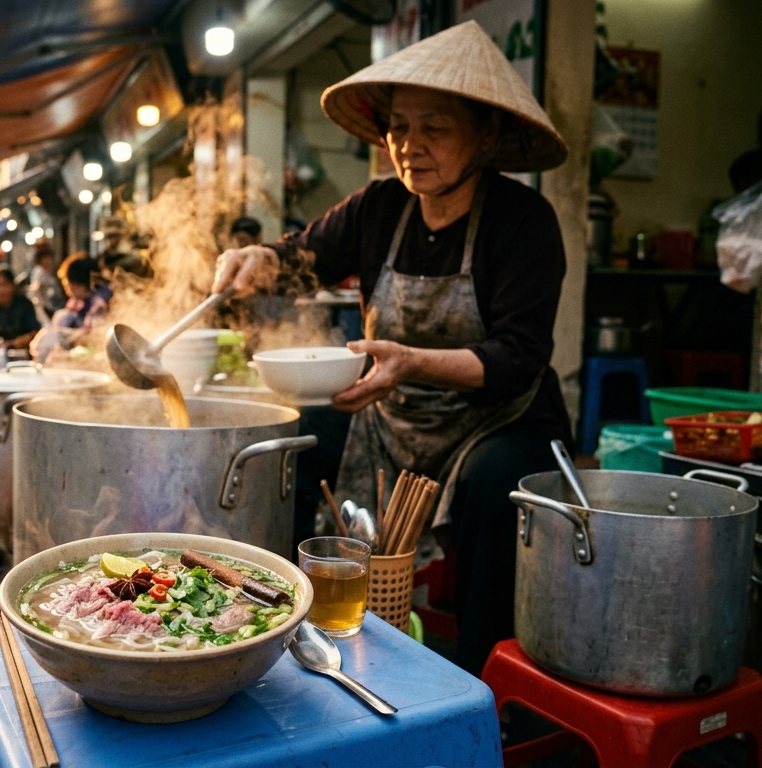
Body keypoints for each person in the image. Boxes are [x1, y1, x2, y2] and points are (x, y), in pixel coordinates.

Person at [213, 21, 572, 677]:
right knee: (294, 444)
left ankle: (478, 677)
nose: (411, 147)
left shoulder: (523, 222)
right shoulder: (381, 207)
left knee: (499, 482)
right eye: (399, 128)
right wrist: (259, 258)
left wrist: (409, 361)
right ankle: (283, 630)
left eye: (434, 128)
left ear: (485, 134)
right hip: (392, 417)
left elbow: (518, 357)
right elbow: (303, 259)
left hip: (499, 420)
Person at [26, 245, 64, 317]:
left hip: (51, 305)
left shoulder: (48, 271)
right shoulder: (39, 271)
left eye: (50, 258)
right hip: (43, 306)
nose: (48, 260)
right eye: (46, 258)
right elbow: (36, 285)